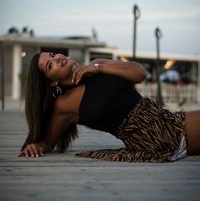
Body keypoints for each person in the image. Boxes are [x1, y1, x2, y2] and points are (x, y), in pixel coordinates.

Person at [18, 52, 200, 162]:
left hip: (166, 120)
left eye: (52, 55)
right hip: (153, 139)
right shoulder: (63, 104)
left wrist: (96, 68)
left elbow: (140, 73)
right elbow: (49, 141)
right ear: (52, 82)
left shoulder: (98, 65)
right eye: (50, 65)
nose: (56, 58)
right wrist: (36, 146)